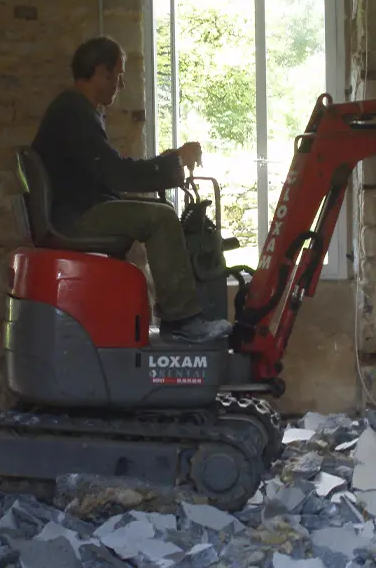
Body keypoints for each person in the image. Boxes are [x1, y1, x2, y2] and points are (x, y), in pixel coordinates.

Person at [31, 36, 232, 345]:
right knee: (162, 218)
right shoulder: (74, 112)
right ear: (101, 72)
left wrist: (169, 162)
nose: (121, 85)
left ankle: (178, 316)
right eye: (119, 75)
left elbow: (110, 172)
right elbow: (118, 174)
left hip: (77, 207)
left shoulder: (75, 110)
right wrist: (175, 161)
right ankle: (183, 320)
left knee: (157, 212)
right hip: (75, 216)